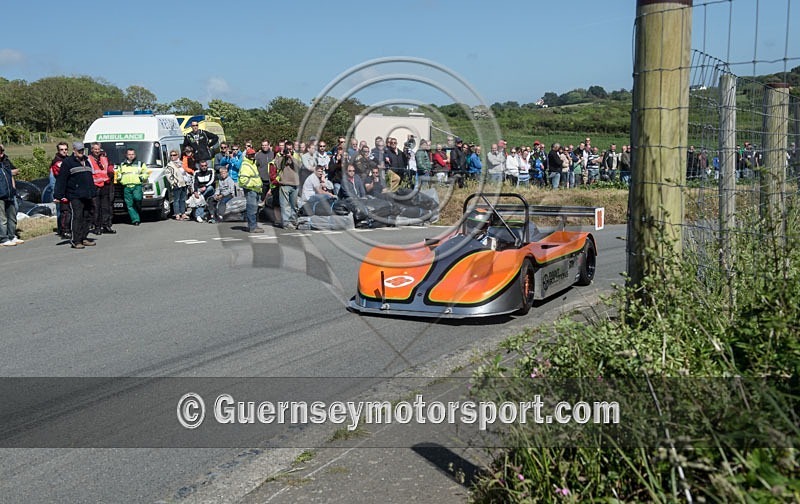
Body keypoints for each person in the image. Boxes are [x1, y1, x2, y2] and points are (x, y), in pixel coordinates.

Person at [53, 142, 96, 248]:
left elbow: (90, 178)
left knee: (87, 216)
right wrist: (58, 195)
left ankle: (84, 237)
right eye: (79, 150)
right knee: (78, 217)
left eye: (82, 150)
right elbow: (61, 179)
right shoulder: (68, 162)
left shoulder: (86, 161)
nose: (81, 152)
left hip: (87, 194)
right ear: (74, 151)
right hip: (75, 194)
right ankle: (76, 240)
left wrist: (93, 191)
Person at [116, 148, 150, 225]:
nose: (131, 156)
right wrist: (119, 178)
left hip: (136, 185)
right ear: (126, 155)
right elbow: (118, 173)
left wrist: (142, 178)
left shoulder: (140, 164)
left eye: (132, 154)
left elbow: (146, 172)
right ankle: (135, 220)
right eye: (129, 154)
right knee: (129, 205)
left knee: (137, 198)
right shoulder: (122, 165)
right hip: (126, 187)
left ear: (135, 155)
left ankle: (138, 209)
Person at [87, 143, 116, 234]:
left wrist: (111, 171)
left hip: (105, 185)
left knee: (106, 207)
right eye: (95, 149)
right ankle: (97, 227)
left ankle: (106, 225)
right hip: (94, 185)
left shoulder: (104, 158)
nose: (97, 151)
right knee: (96, 207)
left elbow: (109, 167)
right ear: (92, 150)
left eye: (98, 149)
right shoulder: (88, 159)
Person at [238, 147, 264, 233]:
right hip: (251, 190)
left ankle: (254, 225)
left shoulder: (252, 163)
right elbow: (243, 180)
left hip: (255, 190)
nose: (252, 156)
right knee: (252, 209)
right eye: (250, 155)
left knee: (254, 209)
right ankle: (252, 227)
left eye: (253, 154)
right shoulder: (245, 165)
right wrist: (253, 185)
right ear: (247, 155)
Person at [0, 144, 21, 246]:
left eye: (2, 152)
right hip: (1, 194)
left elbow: (14, 172)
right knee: (2, 218)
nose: (1, 154)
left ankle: (12, 236)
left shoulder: (5, 163)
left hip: (9, 193)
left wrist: (13, 190)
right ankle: (3, 238)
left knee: (12, 215)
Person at [275, 142, 300, 229]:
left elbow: (300, 166)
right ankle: (286, 223)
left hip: (295, 183)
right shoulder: (280, 156)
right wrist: (283, 156)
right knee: (285, 206)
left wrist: (291, 157)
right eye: (287, 149)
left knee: (294, 205)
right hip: (284, 183)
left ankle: (293, 221)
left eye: (290, 149)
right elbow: (277, 166)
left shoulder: (297, 155)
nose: (288, 151)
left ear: (293, 148)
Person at [49, 142, 71, 238]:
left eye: (65, 149)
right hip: (59, 189)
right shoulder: (57, 162)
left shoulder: (68, 159)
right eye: (62, 149)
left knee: (66, 210)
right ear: (58, 151)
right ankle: (61, 230)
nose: (64, 151)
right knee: (61, 210)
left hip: (67, 189)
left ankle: (66, 228)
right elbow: (61, 175)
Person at [164, 149, 190, 220]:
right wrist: (173, 182)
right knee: (176, 200)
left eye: (174, 155)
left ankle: (183, 213)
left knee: (183, 199)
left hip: (184, 183)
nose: (172, 156)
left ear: (178, 155)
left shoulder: (182, 163)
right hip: (176, 184)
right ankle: (177, 214)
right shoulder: (169, 165)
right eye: (171, 155)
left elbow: (186, 171)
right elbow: (168, 175)